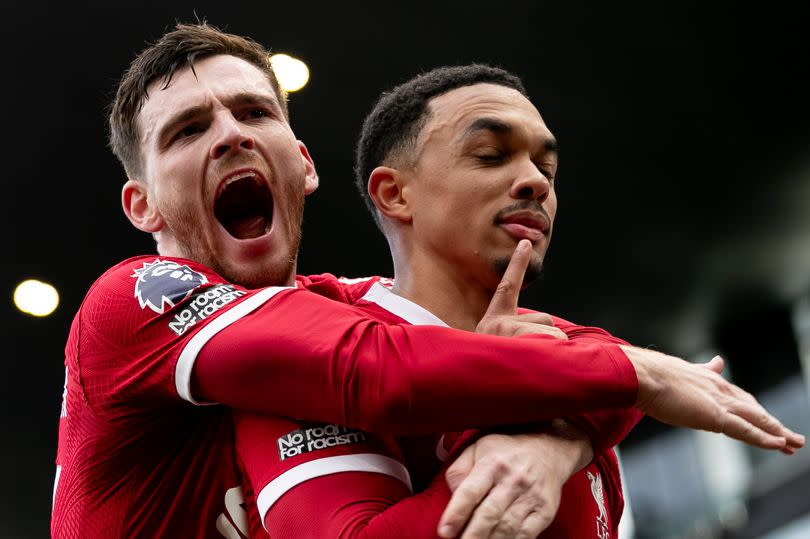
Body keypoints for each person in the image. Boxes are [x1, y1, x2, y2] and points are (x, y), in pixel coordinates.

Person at [51, 22, 803, 538]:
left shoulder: (333, 317)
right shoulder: (135, 300)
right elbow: (375, 372)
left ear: (303, 163)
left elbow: (574, 359)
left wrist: (557, 438)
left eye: (254, 110)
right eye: (188, 130)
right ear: (140, 202)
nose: (231, 133)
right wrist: (627, 374)